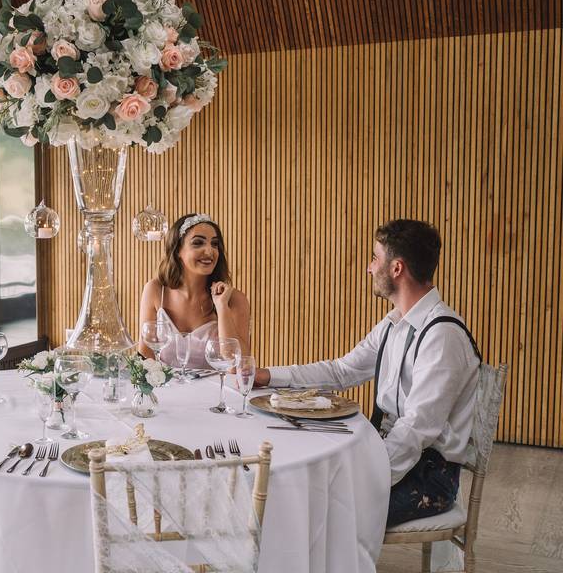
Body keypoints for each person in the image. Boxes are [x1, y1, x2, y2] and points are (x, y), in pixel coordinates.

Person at [253, 219, 480, 526]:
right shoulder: (394, 323)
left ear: (396, 268)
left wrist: (360, 476)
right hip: (388, 452)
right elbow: (341, 371)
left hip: (427, 478)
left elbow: (416, 429)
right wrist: (267, 376)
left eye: (375, 258)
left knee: (313, 512)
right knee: (295, 490)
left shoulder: (442, 336)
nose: (370, 268)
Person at [138, 213, 250, 369]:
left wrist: (222, 307)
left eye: (215, 244)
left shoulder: (234, 300)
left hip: (216, 392)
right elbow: (145, 357)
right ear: (177, 250)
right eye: (198, 243)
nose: (210, 251)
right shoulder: (155, 291)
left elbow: (238, 367)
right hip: (165, 391)